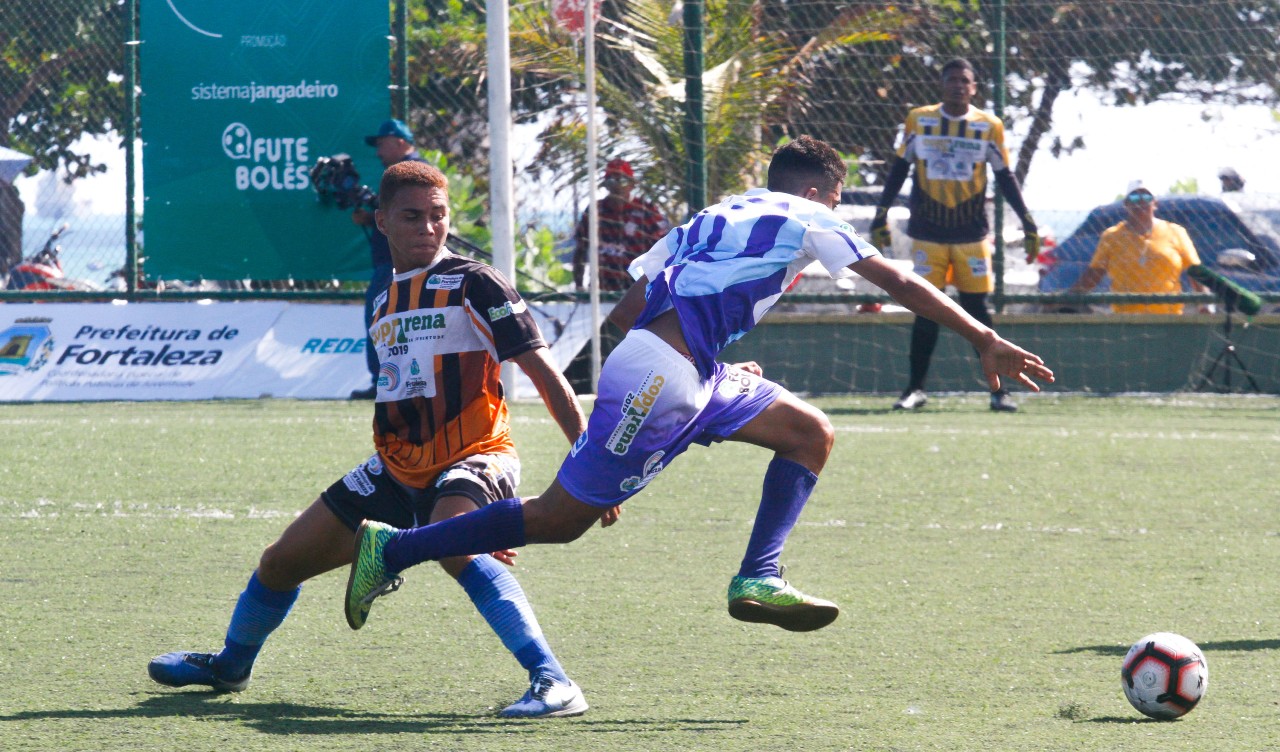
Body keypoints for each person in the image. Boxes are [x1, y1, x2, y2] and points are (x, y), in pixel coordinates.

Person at [344, 137, 1054, 644]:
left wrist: (705, 364)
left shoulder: (712, 215)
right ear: (815, 192)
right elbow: (896, 279)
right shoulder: (809, 213)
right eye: (834, 200)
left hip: (679, 369)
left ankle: (758, 577)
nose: (834, 213)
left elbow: (626, 314)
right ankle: (396, 551)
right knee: (560, 520)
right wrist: (982, 337)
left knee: (808, 433)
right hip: (661, 376)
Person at [149, 160, 616, 719]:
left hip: (475, 454)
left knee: (454, 544)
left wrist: (594, 469)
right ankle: (230, 666)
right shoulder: (381, 300)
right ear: (382, 223)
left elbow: (545, 375)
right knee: (278, 563)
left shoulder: (475, 281)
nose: (428, 227)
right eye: (413, 216)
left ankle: (554, 682)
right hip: (394, 469)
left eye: (438, 216)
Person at [869, 57, 1041, 413]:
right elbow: (900, 168)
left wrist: (1027, 222)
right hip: (927, 234)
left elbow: (1005, 176)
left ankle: (999, 392)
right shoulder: (920, 119)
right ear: (942, 85)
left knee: (978, 311)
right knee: (925, 309)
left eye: (965, 81)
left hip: (971, 236)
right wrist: (880, 214)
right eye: (952, 80)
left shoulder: (988, 125)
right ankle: (915, 389)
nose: (958, 86)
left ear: (974, 87)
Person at [349, 118, 428, 400]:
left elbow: (412, 214)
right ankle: (395, 381)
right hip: (399, 261)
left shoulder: (413, 172)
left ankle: (384, 382)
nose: (378, 151)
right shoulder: (406, 173)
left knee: (379, 317)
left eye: (382, 144)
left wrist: (371, 218)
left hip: (400, 263)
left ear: (400, 142)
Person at [1068, 181, 1205, 315]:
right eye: (1134, 197)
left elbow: (1195, 272)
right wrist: (1065, 300)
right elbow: (1094, 274)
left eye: (1146, 197)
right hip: (1126, 320)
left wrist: (1206, 304)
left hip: (1169, 317)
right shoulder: (1111, 236)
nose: (1140, 202)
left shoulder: (1175, 231)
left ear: (1155, 203)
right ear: (1126, 204)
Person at [572, 158, 670, 292]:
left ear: (632, 185)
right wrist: (578, 286)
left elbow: (665, 250)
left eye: (622, 181)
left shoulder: (647, 211)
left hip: (638, 291)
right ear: (606, 185)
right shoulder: (595, 211)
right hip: (602, 291)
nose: (617, 187)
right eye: (612, 181)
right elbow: (581, 250)